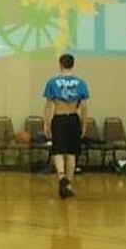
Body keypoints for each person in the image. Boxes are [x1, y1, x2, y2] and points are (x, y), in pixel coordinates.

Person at [43, 53, 89, 199]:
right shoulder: (81, 83)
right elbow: (84, 107)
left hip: (59, 117)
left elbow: (49, 105)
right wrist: (84, 124)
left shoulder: (52, 82)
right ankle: (68, 184)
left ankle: (61, 176)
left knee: (58, 151)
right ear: (72, 64)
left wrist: (46, 123)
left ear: (60, 64)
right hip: (73, 118)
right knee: (71, 153)